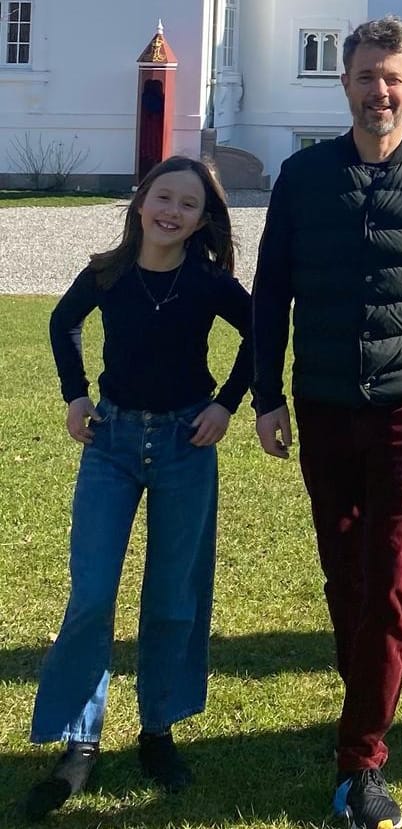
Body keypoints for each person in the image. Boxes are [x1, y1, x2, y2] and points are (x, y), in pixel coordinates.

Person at [251, 16, 402, 828]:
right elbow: (270, 294)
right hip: (322, 400)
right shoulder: (301, 176)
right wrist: (265, 394)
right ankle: (365, 697)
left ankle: (362, 760)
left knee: (392, 581)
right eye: (365, 76)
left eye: (393, 78)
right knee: (345, 574)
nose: (378, 91)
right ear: (345, 83)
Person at [24, 156, 251, 820]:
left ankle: (158, 729)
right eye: (163, 197)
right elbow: (62, 324)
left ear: (202, 220)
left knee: (174, 596)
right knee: (92, 592)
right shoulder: (106, 272)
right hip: (112, 445)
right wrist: (74, 396)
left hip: (186, 444)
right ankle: (79, 741)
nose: (171, 211)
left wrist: (227, 405)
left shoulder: (209, 282)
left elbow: (262, 333)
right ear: (140, 200)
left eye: (187, 204)